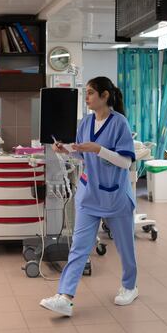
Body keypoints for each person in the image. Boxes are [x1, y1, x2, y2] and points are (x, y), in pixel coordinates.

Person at [40, 77, 138, 317]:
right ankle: (65, 297)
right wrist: (65, 152)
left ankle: (129, 286)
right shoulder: (85, 123)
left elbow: (125, 162)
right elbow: (83, 158)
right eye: (86, 93)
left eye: (91, 93)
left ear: (105, 96)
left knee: (125, 249)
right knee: (79, 248)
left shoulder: (119, 123)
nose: (87, 98)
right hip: (89, 195)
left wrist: (99, 149)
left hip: (115, 195)